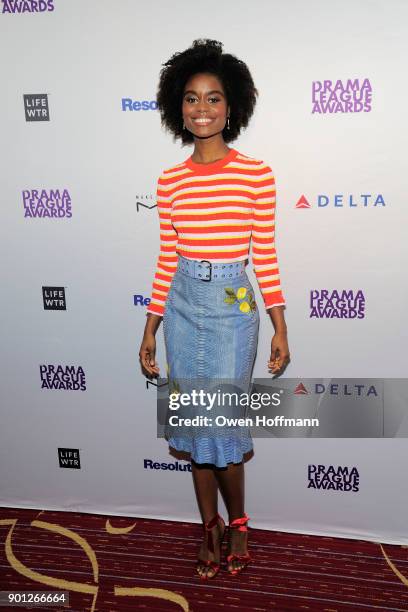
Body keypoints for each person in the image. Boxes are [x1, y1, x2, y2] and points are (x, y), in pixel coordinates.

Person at [139, 39, 290, 580]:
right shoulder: (170, 181)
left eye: (214, 98)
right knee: (195, 426)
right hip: (181, 300)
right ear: (177, 107)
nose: (201, 109)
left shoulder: (255, 174)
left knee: (220, 426)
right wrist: (150, 329)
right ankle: (209, 527)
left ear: (233, 107)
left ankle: (240, 521)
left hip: (233, 298)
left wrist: (279, 326)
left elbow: (265, 257)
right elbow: (165, 259)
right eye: (191, 99)